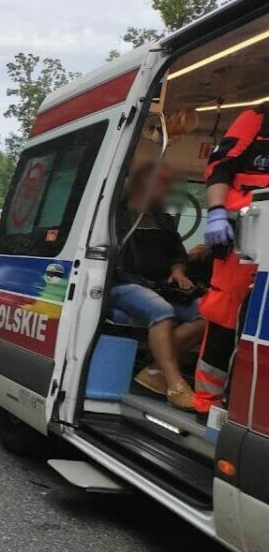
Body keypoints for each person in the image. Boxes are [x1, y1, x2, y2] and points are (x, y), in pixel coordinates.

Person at [110, 162, 205, 411]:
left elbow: (177, 254)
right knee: (162, 312)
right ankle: (175, 385)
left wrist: (178, 271)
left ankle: (154, 369)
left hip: (160, 285)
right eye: (163, 183)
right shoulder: (116, 213)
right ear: (144, 183)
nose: (168, 189)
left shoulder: (162, 218)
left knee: (207, 313)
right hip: (125, 283)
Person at [194, 105, 268, 417]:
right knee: (225, 317)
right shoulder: (258, 119)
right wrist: (216, 213)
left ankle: (246, 405)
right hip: (243, 237)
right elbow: (219, 166)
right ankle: (206, 404)